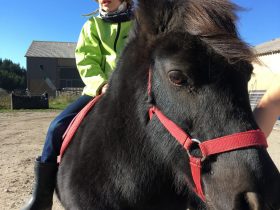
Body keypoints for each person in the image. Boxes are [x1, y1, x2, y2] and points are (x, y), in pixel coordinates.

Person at [21, 0, 133, 209]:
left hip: (135, 93)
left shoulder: (140, 23)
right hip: (98, 91)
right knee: (56, 128)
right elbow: (86, 60)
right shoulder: (92, 26)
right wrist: (101, 84)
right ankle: (41, 197)